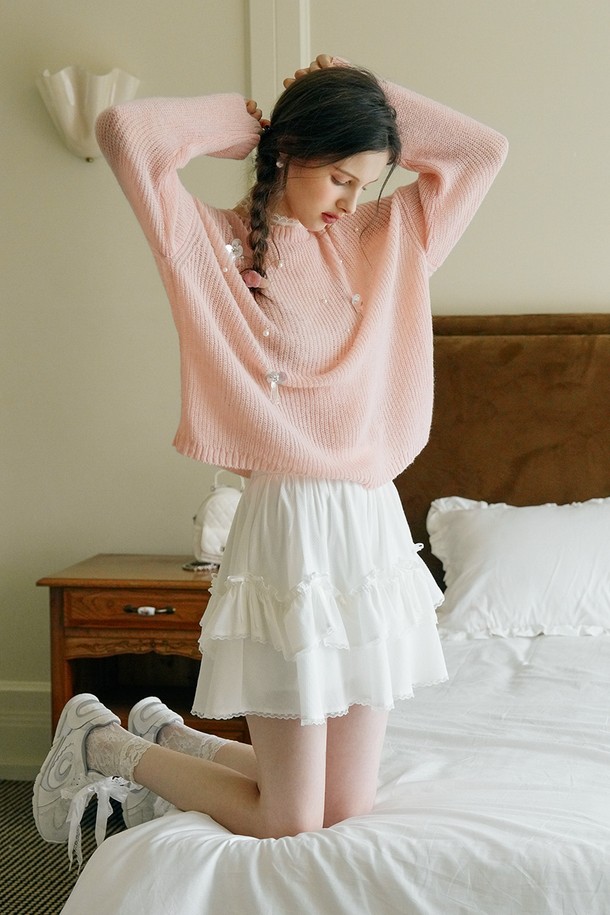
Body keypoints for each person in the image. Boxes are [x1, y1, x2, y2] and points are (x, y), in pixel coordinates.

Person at [33, 54, 508, 857]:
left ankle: (173, 735)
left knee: (345, 805)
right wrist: (254, 122)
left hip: (369, 526)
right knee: (290, 819)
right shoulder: (209, 246)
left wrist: (361, 92)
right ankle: (103, 742)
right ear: (291, 152)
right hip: (289, 526)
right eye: (339, 178)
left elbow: (481, 150)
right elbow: (125, 132)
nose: (350, 199)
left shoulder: (390, 237)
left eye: (365, 182)